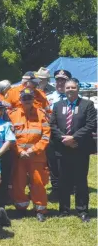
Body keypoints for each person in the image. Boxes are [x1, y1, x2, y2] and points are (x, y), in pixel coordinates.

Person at [50, 79, 96, 222]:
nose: (70, 89)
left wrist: (74, 138)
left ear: (78, 89)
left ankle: (82, 210)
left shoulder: (87, 105)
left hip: (80, 148)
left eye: (73, 87)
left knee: (80, 180)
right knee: (63, 180)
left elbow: (91, 124)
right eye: (67, 87)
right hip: (62, 148)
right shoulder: (57, 106)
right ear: (64, 89)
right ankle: (64, 209)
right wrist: (65, 140)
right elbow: (52, 125)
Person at [9, 88, 51, 222]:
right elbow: (9, 136)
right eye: (24, 98)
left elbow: (46, 135)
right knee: (18, 182)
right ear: (20, 100)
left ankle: (40, 209)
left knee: (38, 183)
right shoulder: (12, 115)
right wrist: (20, 151)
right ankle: (21, 208)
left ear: (33, 99)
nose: (27, 100)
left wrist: (33, 150)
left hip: (36, 156)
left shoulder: (41, 114)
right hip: (19, 156)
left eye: (29, 98)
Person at [45, 69, 72, 198]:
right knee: (53, 162)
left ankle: (69, 185)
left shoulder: (74, 97)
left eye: (63, 80)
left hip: (69, 135)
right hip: (52, 136)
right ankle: (55, 187)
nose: (60, 83)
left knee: (69, 161)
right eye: (58, 80)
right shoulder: (48, 98)